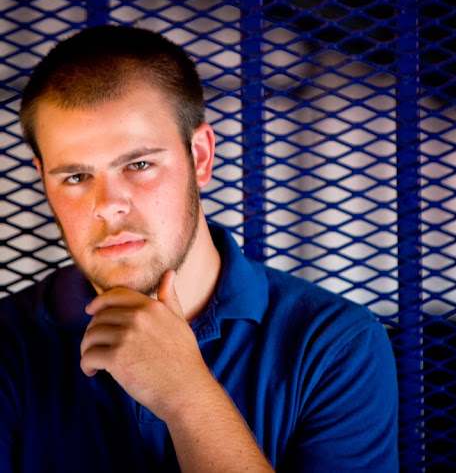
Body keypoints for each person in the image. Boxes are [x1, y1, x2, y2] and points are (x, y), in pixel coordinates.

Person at [0, 25, 398, 472]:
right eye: (75, 177)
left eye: (139, 164)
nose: (107, 206)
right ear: (43, 180)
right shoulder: (8, 344)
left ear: (201, 156)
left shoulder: (335, 345)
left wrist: (187, 395)